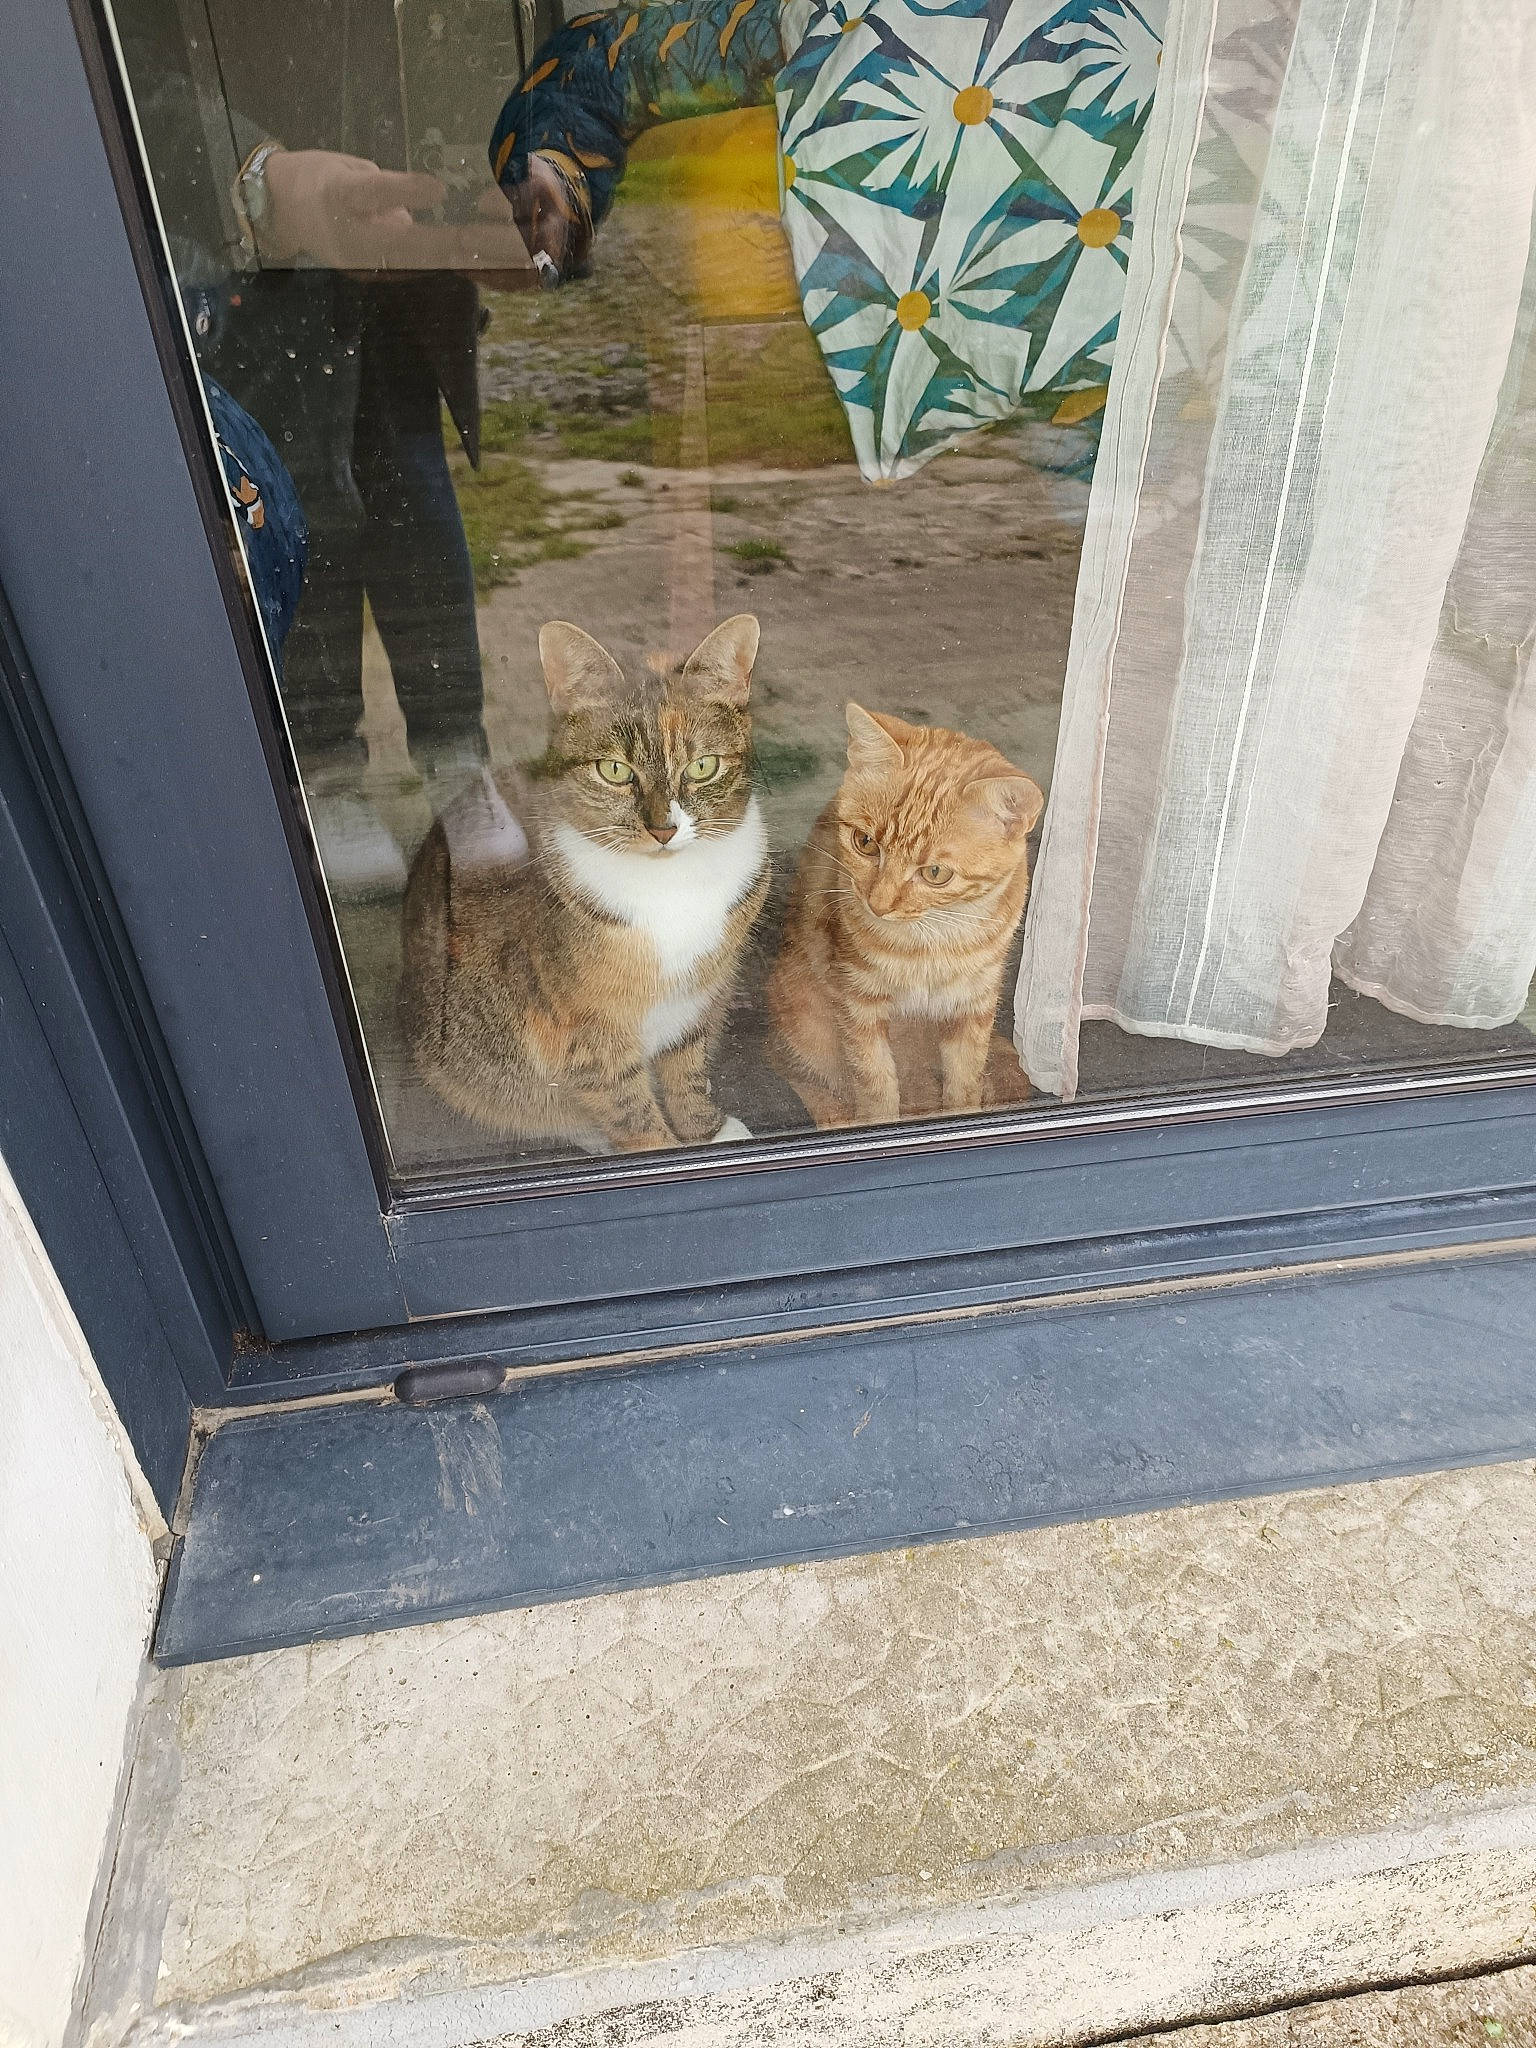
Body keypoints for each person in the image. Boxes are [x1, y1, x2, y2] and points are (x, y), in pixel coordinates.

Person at [119, 0, 534, 895]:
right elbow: (121, 60)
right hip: (261, 271)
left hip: (405, 245)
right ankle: (327, 772)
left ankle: (457, 761)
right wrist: (257, 177)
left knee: (416, 490)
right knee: (302, 496)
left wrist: (531, 157)